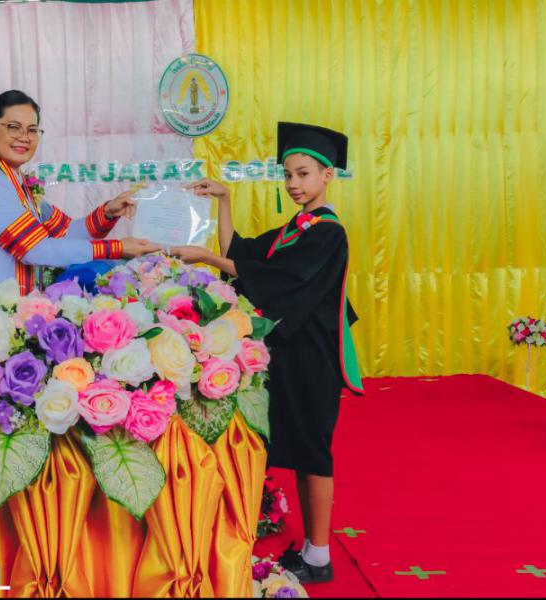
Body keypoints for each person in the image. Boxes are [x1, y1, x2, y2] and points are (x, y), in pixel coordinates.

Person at [169, 122, 364, 584]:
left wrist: (207, 259)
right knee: (300, 452)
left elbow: (277, 280)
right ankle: (313, 551)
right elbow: (244, 253)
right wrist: (224, 200)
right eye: (288, 175)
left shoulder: (328, 233)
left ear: (327, 176)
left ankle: (320, 556)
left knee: (314, 452)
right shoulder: (295, 229)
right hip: (290, 355)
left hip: (313, 359)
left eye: (303, 174)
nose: (294, 184)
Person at [0, 90, 159, 311]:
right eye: (13, 127)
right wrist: (118, 248)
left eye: (32, 130)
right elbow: (36, 249)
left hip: (10, 317)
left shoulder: (16, 182)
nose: (24, 137)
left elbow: (65, 233)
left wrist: (107, 213)